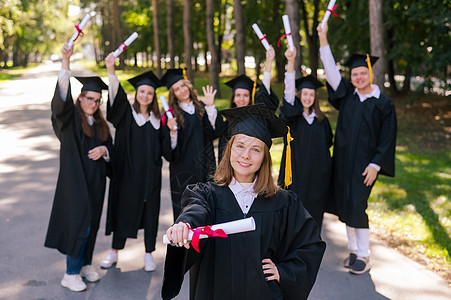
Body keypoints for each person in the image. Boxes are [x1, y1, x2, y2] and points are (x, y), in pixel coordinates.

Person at [161, 104, 326, 300]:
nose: (246, 155)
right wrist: (185, 225)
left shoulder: (284, 202)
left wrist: (286, 272)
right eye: (240, 146)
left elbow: (310, 244)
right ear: (229, 150)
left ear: (264, 157)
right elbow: (196, 211)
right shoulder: (207, 195)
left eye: (255, 149)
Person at [317, 22, 397, 275]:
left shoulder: (383, 103)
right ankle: (353, 250)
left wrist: (376, 164)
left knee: (357, 205)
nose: (358, 78)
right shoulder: (348, 96)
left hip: (365, 165)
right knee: (345, 204)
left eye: (362, 73)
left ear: (370, 74)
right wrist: (323, 39)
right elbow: (330, 72)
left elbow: (388, 137)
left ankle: (363, 254)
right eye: (354, 74)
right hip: (342, 162)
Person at [44, 42, 113, 292]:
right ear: (81, 97)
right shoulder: (70, 121)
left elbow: (112, 149)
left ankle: (84, 265)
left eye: (97, 100)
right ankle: (70, 273)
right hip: (75, 185)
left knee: (91, 225)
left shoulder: (100, 125)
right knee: (79, 226)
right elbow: (59, 104)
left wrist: (105, 150)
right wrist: (66, 63)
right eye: (89, 99)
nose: (93, 104)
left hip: (95, 184)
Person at [100, 54, 174, 271]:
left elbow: (166, 151)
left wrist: (172, 131)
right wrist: (111, 71)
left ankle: (149, 253)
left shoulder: (157, 121)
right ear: (137, 93)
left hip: (151, 177)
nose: (146, 95)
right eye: (142, 91)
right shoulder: (126, 114)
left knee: (151, 213)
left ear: (153, 96)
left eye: (150, 92)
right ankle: (114, 252)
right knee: (123, 210)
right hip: (127, 175)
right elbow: (116, 96)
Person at [277, 46, 333, 232]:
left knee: (314, 219)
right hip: (296, 175)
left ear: (315, 97)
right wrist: (291, 62)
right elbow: (288, 91)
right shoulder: (292, 118)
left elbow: (327, 146)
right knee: (292, 216)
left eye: (311, 94)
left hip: (317, 178)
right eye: (304, 94)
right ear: (299, 95)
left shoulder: (321, 121)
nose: (308, 97)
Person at [161, 69, 222, 220]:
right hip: (183, 172)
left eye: (183, 86)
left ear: (188, 86)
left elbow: (214, 132)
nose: (182, 90)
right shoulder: (170, 116)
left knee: (208, 210)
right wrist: (172, 131)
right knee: (186, 214)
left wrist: (210, 107)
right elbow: (170, 152)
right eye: (177, 89)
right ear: (173, 93)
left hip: (205, 166)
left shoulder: (202, 107)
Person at [218, 46, 279, 162]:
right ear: (233, 98)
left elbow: (264, 93)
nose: (241, 99)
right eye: (238, 95)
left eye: (245, 95)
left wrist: (269, 62)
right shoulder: (227, 123)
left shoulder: (257, 119)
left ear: (251, 98)